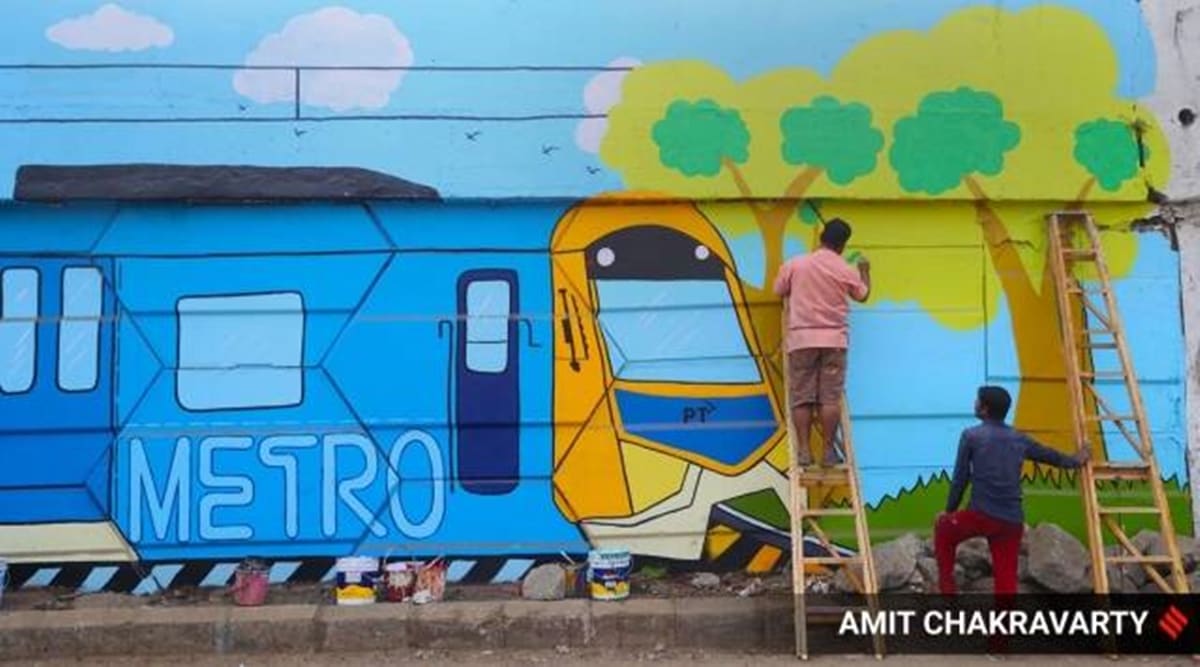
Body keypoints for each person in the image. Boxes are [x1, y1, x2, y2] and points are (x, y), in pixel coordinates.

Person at [935, 386, 1089, 596]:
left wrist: (949, 511)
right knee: (1006, 580)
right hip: (1011, 521)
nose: (974, 403)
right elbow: (1051, 457)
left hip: (980, 515)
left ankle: (947, 594)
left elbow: (960, 479)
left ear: (984, 409)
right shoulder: (1019, 438)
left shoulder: (971, 436)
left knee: (943, 528)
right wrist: (1077, 459)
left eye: (977, 401)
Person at [773, 218, 870, 467]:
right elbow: (862, 295)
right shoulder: (845, 269)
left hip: (802, 340)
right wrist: (865, 272)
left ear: (821, 237)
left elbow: (778, 289)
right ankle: (827, 451)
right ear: (843, 244)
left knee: (802, 397)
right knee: (829, 398)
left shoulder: (796, 264)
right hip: (834, 341)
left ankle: (804, 451)